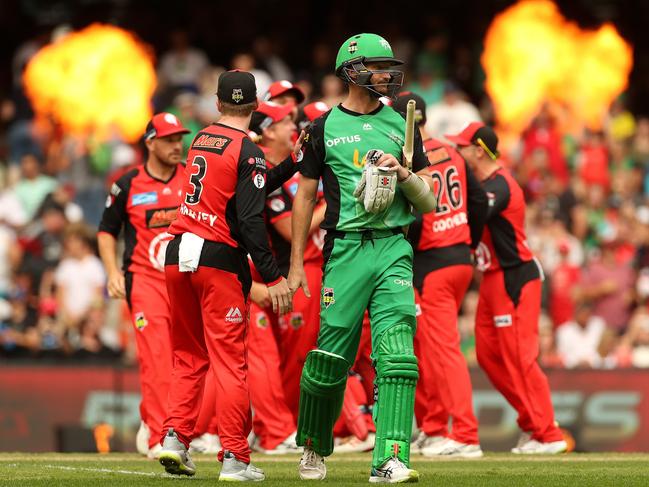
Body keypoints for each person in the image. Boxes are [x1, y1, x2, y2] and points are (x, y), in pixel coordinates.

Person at [288, 33, 436, 483]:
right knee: (331, 360)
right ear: (351, 71)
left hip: (394, 245)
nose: (387, 75)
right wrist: (296, 263)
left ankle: (391, 458)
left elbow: (427, 202)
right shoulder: (320, 128)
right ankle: (313, 445)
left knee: (397, 355)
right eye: (377, 66)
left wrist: (404, 173)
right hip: (346, 248)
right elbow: (304, 196)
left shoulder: (401, 126)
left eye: (390, 66)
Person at [158, 70, 300, 481]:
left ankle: (174, 439)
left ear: (218, 104)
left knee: (188, 355)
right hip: (217, 260)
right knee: (230, 364)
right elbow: (252, 218)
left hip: (177, 252)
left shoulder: (201, 138)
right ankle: (235, 457)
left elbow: (245, 188)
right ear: (254, 106)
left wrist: (290, 164)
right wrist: (273, 278)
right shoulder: (249, 151)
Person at [447, 122, 567, 454]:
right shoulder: (484, 183)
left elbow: (476, 212)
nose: (458, 152)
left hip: (515, 278)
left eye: (463, 147)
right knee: (487, 356)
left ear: (479, 150)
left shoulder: (500, 185)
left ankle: (548, 433)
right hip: (492, 277)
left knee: (520, 358)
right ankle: (533, 422)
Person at [394, 92, 488, 458]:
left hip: (432, 263)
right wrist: (468, 241)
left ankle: (464, 433)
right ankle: (434, 429)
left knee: (442, 352)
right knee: (431, 350)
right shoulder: (452, 150)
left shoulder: (409, 159)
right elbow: (478, 202)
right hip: (459, 258)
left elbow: (414, 218)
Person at [98, 112, 189, 459]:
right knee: (156, 359)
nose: (176, 145)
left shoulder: (193, 178)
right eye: (168, 140)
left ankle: (171, 427)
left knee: (190, 360)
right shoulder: (127, 184)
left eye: (179, 139)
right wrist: (112, 272)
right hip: (145, 281)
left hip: (186, 282)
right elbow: (106, 231)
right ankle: (157, 437)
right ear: (150, 142)